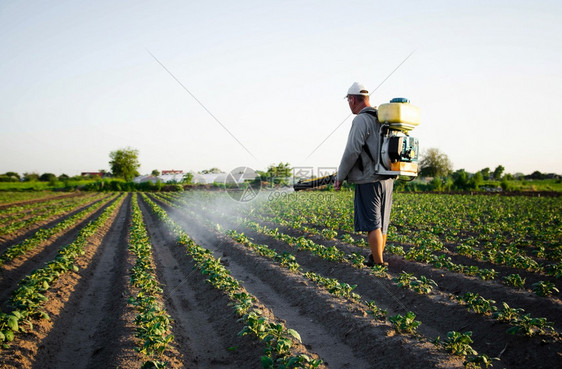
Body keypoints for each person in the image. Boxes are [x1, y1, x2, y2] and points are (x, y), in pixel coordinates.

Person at [334, 82, 395, 267]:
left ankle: (378, 263)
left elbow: (352, 150)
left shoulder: (361, 119)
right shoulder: (382, 117)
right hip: (387, 177)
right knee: (382, 223)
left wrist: (340, 175)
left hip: (369, 178)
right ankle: (377, 258)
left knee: (372, 223)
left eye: (348, 100)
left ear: (352, 99)